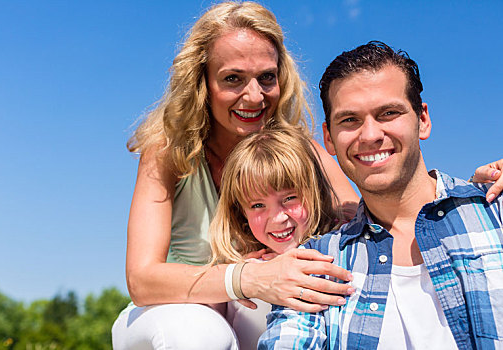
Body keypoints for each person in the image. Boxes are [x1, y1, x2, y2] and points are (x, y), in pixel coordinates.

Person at [112, 3, 360, 350]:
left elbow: (359, 219)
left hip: (253, 315)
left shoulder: (299, 150)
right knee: (197, 333)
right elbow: (142, 280)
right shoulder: (169, 151)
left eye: (266, 77)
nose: (255, 96)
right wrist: (248, 277)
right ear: (202, 83)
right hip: (170, 313)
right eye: (233, 79)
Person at [259, 41, 503, 349]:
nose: (371, 135)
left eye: (388, 113)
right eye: (350, 120)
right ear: (329, 139)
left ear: (422, 120)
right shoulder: (316, 265)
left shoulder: (496, 211)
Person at [207, 126, 343, 349]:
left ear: (314, 192)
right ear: (241, 212)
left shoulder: (337, 256)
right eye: (258, 205)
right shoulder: (240, 269)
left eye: (290, 198)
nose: (278, 217)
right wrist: (241, 278)